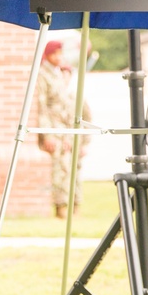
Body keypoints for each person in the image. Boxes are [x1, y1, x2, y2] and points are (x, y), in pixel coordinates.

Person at [36, 39, 90, 219]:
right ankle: (61, 207)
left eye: (61, 53)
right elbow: (42, 107)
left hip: (68, 130)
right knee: (61, 168)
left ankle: (75, 206)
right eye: (56, 53)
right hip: (55, 130)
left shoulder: (61, 74)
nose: (59, 57)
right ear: (48, 54)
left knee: (74, 168)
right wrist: (47, 135)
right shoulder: (43, 75)